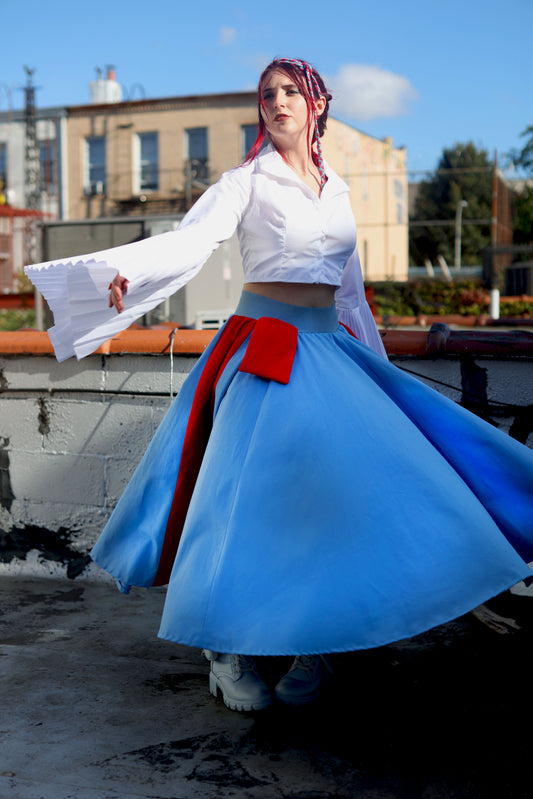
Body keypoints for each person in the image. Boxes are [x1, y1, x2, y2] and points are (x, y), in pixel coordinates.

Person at [25, 58, 533, 713]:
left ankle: (315, 642)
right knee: (242, 507)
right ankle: (223, 649)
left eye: (290, 90)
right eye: (267, 93)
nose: (277, 100)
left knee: (339, 501)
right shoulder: (246, 182)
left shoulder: (339, 190)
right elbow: (190, 242)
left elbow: (349, 294)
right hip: (263, 347)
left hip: (328, 351)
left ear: (317, 103)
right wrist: (124, 274)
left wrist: (376, 380)